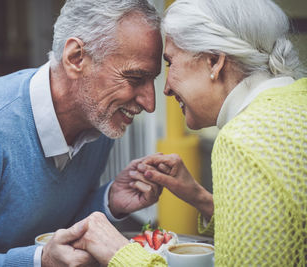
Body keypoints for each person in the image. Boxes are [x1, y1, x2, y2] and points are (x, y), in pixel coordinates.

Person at [0, 0, 164, 266]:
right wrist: (36, 261)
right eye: (135, 79)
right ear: (76, 58)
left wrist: (109, 201)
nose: (150, 102)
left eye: (152, 80)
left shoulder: (97, 121)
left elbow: (58, 230)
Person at [67, 0, 307, 266]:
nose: (166, 89)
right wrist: (199, 198)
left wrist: (121, 255)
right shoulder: (297, 100)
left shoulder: (243, 139)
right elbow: (278, 238)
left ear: (214, 61)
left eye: (170, 63)